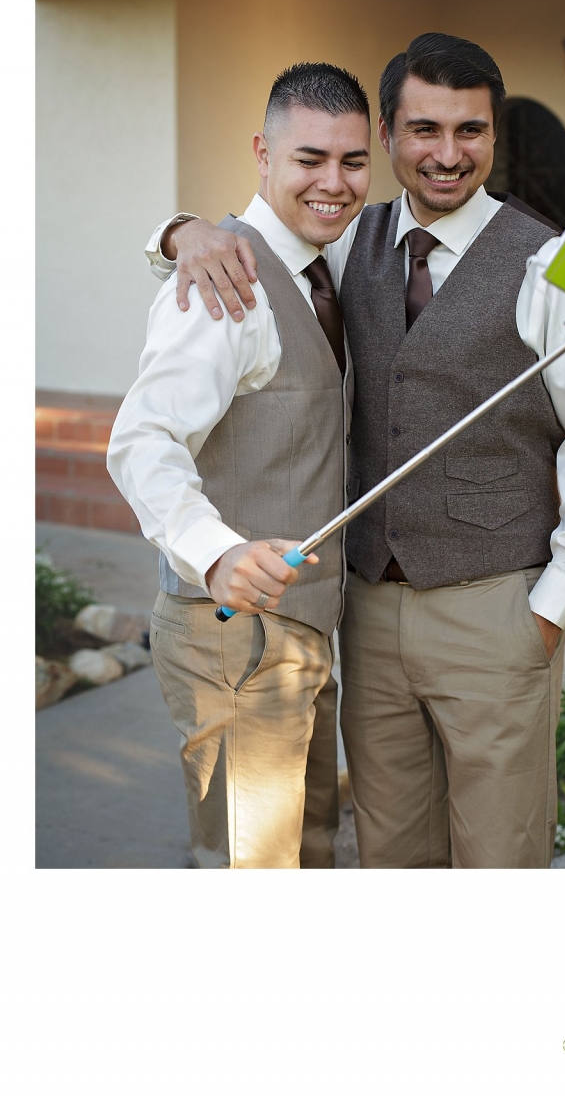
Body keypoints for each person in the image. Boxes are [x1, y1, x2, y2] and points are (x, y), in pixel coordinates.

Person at [147, 33, 565, 869]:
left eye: (471, 132)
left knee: (500, 856)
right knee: (389, 851)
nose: (448, 156)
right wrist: (181, 231)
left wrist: (553, 606)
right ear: (387, 136)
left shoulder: (555, 264)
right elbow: (255, 239)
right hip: (367, 612)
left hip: (496, 606)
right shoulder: (342, 239)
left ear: (493, 135)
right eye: (424, 131)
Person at [108, 62, 371, 868]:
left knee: (309, 848)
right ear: (263, 152)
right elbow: (143, 440)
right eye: (309, 159)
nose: (333, 182)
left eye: (353, 161)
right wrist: (216, 551)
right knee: (247, 867)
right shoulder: (223, 284)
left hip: (298, 633)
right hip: (233, 633)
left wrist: (174, 227)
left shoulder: (330, 253)